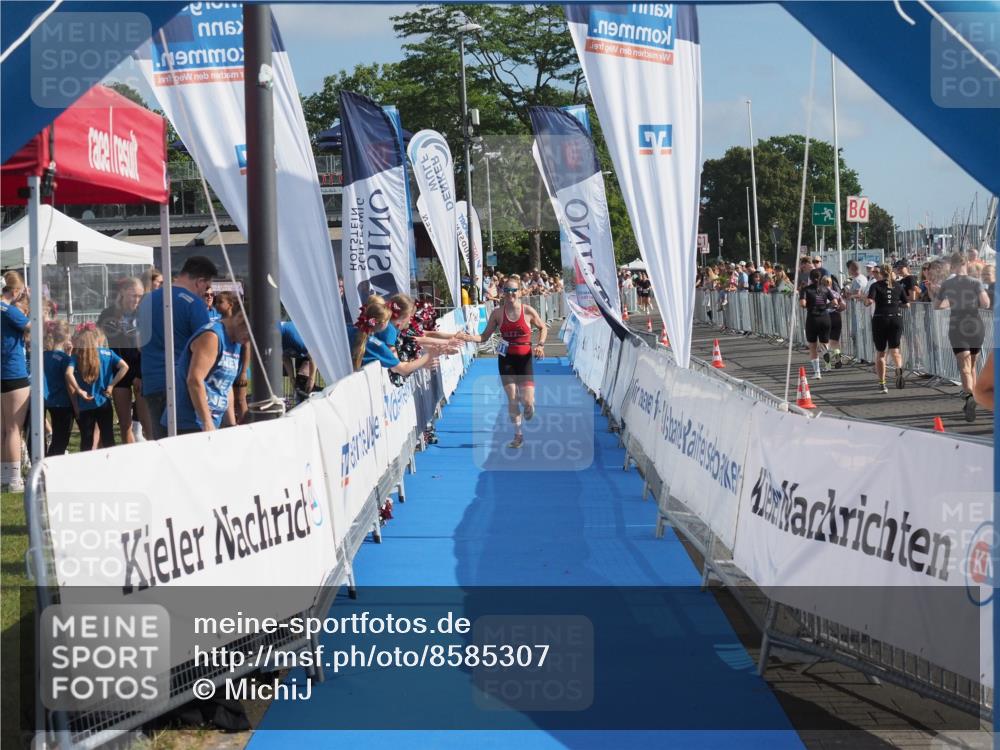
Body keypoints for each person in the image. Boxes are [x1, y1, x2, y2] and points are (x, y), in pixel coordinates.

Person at [458, 274, 547, 448]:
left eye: (514, 290)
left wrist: (541, 345)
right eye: (507, 291)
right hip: (506, 359)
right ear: (502, 292)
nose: (510, 294)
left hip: (524, 359)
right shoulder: (497, 314)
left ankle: (530, 406)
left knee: (527, 401)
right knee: (513, 398)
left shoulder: (527, 311)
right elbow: (484, 337)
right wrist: (468, 337)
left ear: (520, 292)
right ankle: (518, 436)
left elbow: (543, 327)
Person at [137, 256, 217, 438]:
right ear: (200, 282)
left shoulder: (147, 301)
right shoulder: (195, 304)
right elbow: (206, 345)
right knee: (189, 447)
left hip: (152, 382)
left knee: (162, 446)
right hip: (182, 385)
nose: (205, 294)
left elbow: (140, 345)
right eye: (206, 289)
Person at [169, 311, 250, 433]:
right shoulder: (212, 337)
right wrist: (207, 422)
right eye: (250, 333)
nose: (249, 340)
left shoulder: (237, 341)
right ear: (239, 318)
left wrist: (231, 424)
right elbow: (194, 380)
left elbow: (225, 385)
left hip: (212, 423)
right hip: (189, 423)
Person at [935, 252, 991, 422]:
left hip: (957, 324)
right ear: (966, 264)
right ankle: (973, 396)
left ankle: (969, 397)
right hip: (974, 324)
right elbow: (986, 303)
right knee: (973, 363)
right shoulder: (975, 282)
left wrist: (952, 302)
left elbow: (937, 305)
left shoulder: (947, 283)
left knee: (964, 366)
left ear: (952, 265)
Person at [97, 277, 149, 444]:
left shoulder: (143, 314)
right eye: (133, 295)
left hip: (141, 372)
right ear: (122, 293)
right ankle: (131, 461)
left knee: (147, 424)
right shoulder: (109, 314)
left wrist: (139, 374)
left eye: (140, 296)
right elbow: (109, 345)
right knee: (125, 425)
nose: (136, 300)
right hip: (119, 372)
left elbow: (146, 347)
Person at [65, 326, 130, 451]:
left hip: (85, 404)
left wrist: (79, 390)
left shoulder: (77, 356)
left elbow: (68, 373)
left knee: (86, 441)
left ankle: (88, 468)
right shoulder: (107, 353)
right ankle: (110, 466)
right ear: (97, 338)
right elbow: (125, 367)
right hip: (104, 402)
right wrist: (111, 385)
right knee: (108, 438)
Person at [348, 295, 434, 376]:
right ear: (383, 324)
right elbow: (402, 369)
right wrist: (429, 355)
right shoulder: (378, 345)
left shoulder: (349, 330)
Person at [1, 272, 31, 491]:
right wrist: (29, 301)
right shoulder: (10, 311)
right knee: (14, 429)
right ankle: (13, 479)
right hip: (13, 372)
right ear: (16, 290)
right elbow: (34, 327)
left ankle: (4, 477)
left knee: (3, 428)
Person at [864, 264, 909, 393]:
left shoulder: (875, 285)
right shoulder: (898, 285)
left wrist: (866, 300)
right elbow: (907, 304)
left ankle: (882, 383)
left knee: (881, 353)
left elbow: (869, 301)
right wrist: (895, 303)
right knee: (895, 350)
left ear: (881, 273)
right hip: (895, 318)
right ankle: (898, 368)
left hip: (880, 319)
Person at [213, 291, 250, 421]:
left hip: (237, 367)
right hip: (225, 369)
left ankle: (244, 424)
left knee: (240, 399)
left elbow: (246, 348)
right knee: (230, 399)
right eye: (216, 302)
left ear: (230, 304)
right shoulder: (216, 328)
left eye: (220, 302)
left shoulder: (241, 326)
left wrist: (244, 372)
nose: (216, 305)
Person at [43, 321, 74, 456]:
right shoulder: (65, 359)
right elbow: (69, 383)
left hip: (47, 400)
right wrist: (76, 406)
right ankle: (51, 467)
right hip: (63, 402)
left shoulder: (43, 356)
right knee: (61, 440)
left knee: (55, 438)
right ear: (67, 336)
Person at [799, 268, 835, 379]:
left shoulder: (805, 289)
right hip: (825, 318)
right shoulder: (825, 289)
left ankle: (817, 373)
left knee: (813, 347)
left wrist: (809, 304)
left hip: (812, 318)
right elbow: (835, 302)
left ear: (810, 278)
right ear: (820, 278)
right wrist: (824, 306)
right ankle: (828, 365)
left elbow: (802, 304)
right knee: (824, 344)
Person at [281, 320, 316, 403]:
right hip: (299, 353)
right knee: (297, 384)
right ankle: (299, 405)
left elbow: (313, 357)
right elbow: (285, 358)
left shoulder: (291, 336)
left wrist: (311, 379)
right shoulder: (274, 340)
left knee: (302, 380)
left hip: (312, 351)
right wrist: (292, 378)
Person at [823, 275, 846, 370]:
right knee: (835, 341)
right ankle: (837, 357)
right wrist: (838, 308)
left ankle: (827, 365)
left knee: (824, 342)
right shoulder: (836, 293)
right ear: (831, 283)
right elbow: (844, 305)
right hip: (836, 316)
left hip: (825, 317)